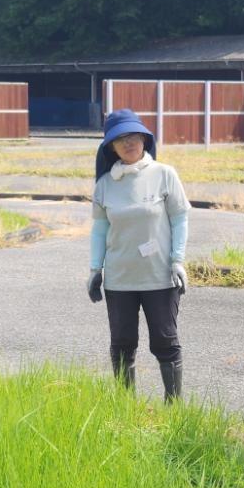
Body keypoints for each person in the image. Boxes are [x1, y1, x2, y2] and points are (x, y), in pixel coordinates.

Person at [87, 108, 190, 402]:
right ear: (111, 147)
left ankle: (174, 408)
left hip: (159, 276)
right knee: (122, 343)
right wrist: (95, 270)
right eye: (120, 140)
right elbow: (99, 229)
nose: (128, 143)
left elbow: (180, 219)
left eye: (134, 137)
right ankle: (125, 406)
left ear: (145, 139)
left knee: (166, 342)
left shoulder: (164, 174)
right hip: (119, 278)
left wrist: (178, 260)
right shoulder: (105, 184)